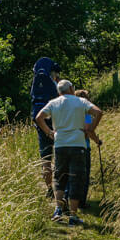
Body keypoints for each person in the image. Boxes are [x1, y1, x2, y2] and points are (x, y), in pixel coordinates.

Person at [35, 79, 103, 225]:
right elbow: (98, 112)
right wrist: (91, 130)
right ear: (71, 88)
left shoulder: (53, 103)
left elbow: (38, 117)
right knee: (76, 178)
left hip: (60, 144)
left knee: (60, 177)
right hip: (78, 144)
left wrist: (49, 132)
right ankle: (73, 216)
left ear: (59, 91)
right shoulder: (81, 102)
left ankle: (58, 210)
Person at [30, 57, 62, 198]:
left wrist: (46, 131)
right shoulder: (54, 84)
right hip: (56, 126)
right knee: (61, 158)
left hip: (42, 127)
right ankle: (62, 189)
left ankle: (49, 189)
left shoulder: (36, 83)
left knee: (46, 160)